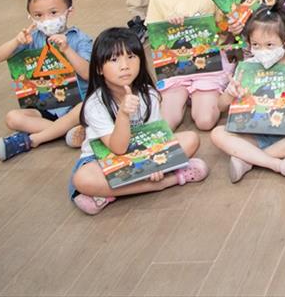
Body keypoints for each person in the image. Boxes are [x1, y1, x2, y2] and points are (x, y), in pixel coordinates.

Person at [69, 27, 207, 215]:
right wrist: (123, 114)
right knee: (83, 178)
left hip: (142, 150)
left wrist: (153, 162)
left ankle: (112, 192)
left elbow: (154, 136)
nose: (124, 65)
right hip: (102, 157)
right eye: (114, 60)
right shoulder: (95, 103)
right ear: (99, 68)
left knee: (191, 139)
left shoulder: (149, 94)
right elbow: (118, 149)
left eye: (131, 57)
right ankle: (167, 181)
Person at [211, 6, 285, 184]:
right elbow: (220, 107)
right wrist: (229, 94)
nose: (262, 50)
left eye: (269, 45)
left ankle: (248, 159)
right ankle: (279, 165)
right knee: (217, 133)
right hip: (253, 131)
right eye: (255, 45)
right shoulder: (247, 67)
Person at [0, 0, 92, 160]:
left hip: (76, 105)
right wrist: (16, 41)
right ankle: (66, 133)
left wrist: (67, 50)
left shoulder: (79, 39)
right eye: (38, 15)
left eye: (53, 13)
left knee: (86, 108)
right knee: (12, 118)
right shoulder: (31, 39)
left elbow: (87, 73)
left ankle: (36, 138)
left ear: (69, 11)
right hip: (45, 107)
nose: (46, 20)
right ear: (30, 16)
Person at [145, 0, 232, 131]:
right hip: (175, 67)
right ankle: (186, 96)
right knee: (167, 122)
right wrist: (169, 28)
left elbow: (225, 30)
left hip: (209, 64)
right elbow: (155, 38)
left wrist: (224, 26)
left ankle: (200, 96)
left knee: (205, 121)